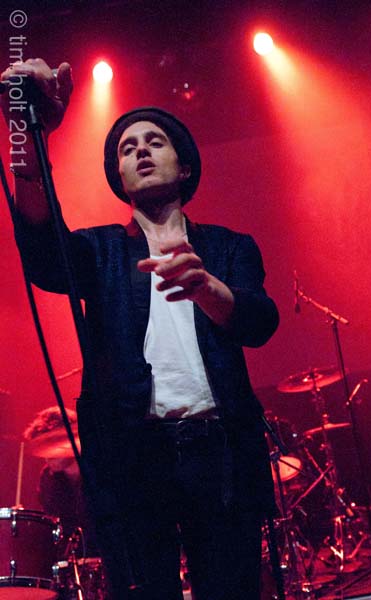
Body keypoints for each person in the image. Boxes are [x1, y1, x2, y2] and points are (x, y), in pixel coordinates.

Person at [1, 58, 280, 600]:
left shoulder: (229, 247)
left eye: (155, 142)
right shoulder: (101, 250)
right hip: (132, 458)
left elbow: (260, 321)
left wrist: (208, 288)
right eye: (128, 149)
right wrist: (29, 138)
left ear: (185, 166)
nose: (141, 152)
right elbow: (43, 254)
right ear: (120, 177)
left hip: (218, 451)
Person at [23, 406, 99, 559]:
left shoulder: (101, 470)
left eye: (51, 445)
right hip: (72, 561)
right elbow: (52, 526)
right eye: (42, 448)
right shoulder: (48, 478)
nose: (47, 456)